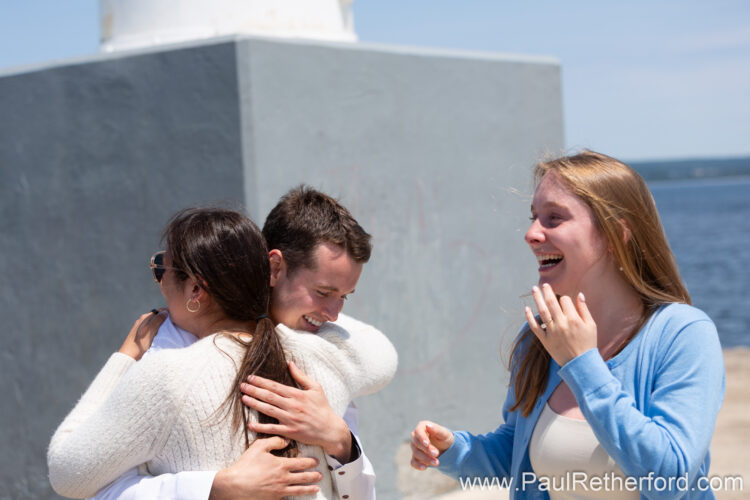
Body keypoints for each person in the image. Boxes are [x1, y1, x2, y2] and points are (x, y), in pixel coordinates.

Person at [410, 151, 725, 499]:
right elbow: (518, 457)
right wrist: (455, 450)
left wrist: (582, 365)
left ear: (614, 234)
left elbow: (670, 478)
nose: (531, 234)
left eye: (554, 218)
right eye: (534, 218)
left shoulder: (682, 334)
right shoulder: (539, 338)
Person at [48, 204, 397, 499]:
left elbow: (67, 474)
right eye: (323, 292)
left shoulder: (161, 372)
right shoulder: (326, 356)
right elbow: (382, 358)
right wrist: (213, 486)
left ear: (196, 289)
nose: (333, 314)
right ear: (270, 270)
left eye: (160, 270)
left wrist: (124, 358)